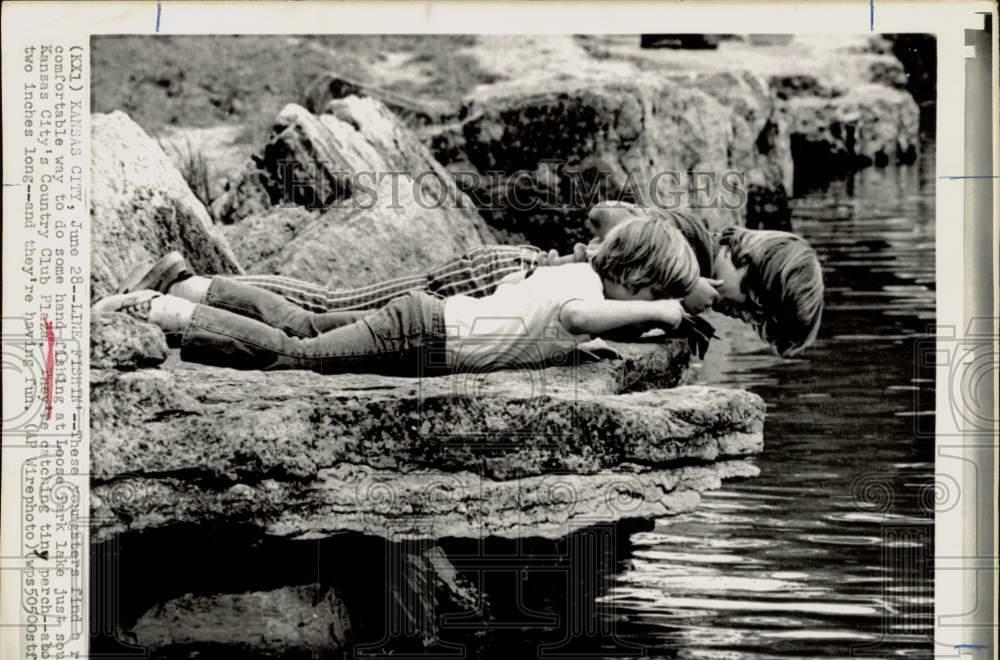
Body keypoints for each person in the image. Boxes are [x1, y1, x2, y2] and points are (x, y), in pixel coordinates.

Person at [93, 217, 699, 377]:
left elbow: (538, 304)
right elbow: (576, 317)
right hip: (424, 332)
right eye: (646, 292)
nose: (644, 302)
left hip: (427, 329)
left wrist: (642, 320)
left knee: (307, 322)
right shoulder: (584, 290)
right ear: (637, 282)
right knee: (295, 357)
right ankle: (162, 312)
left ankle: (190, 283)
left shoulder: (575, 273)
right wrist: (658, 314)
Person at [586, 201, 824, 356]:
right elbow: (604, 213)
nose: (744, 316)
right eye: (753, 305)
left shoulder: (698, 290)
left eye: (754, 322)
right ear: (747, 257)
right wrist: (685, 283)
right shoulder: (689, 237)